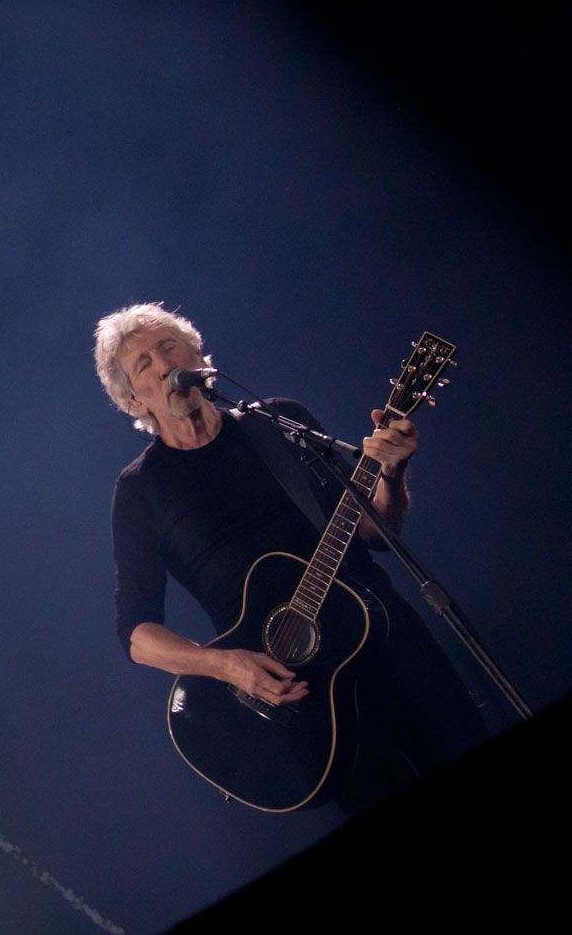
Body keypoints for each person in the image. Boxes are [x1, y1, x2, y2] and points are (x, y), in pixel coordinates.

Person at [94, 302, 486, 809]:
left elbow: (374, 532)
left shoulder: (279, 422)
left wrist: (391, 473)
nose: (164, 364)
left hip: (385, 635)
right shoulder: (140, 491)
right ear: (133, 403)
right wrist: (226, 666)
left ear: (197, 354)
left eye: (168, 346)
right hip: (301, 694)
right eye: (144, 363)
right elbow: (137, 634)